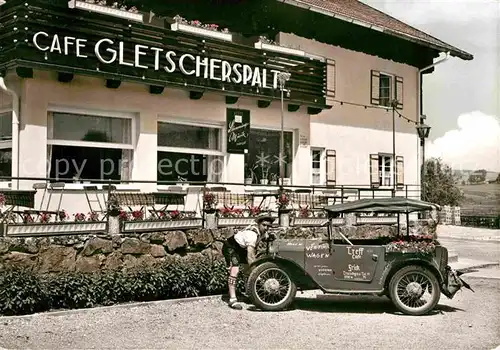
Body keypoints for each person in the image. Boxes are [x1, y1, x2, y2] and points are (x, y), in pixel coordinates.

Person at [222, 215, 276, 310]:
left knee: (247, 271)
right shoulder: (252, 235)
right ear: (259, 224)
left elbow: (265, 237)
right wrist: (258, 271)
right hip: (231, 247)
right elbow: (251, 256)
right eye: (264, 225)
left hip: (242, 249)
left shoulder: (262, 232)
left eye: (268, 226)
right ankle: (232, 299)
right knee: (235, 270)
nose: (266, 228)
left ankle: (250, 294)